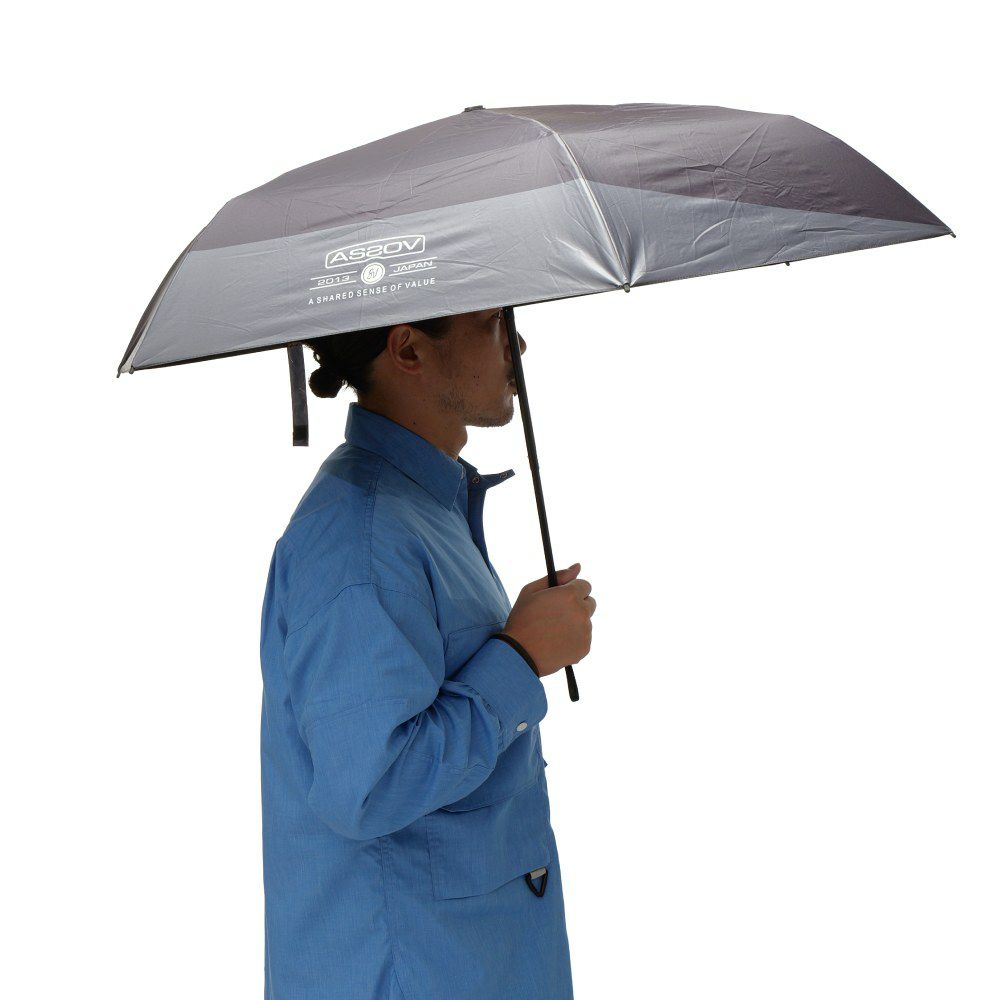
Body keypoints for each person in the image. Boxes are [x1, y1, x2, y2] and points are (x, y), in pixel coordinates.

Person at [259, 307, 596, 999]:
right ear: (408, 350)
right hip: (411, 973)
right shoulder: (360, 535)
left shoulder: (422, 507)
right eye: (493, 322)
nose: (518, 343)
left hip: (469, 960)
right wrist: (520, 657)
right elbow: (368, 785)